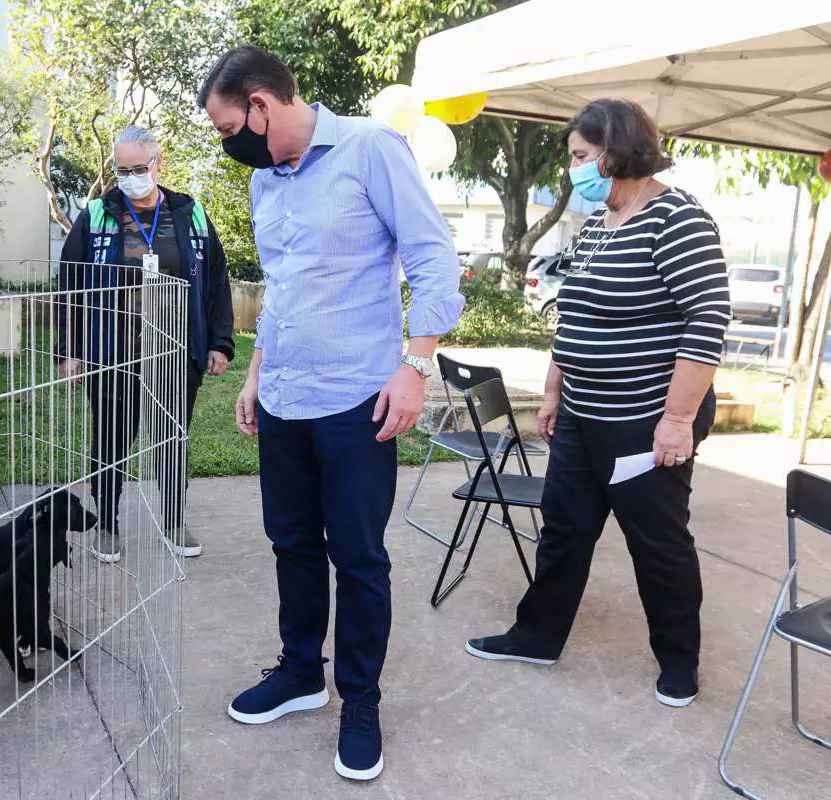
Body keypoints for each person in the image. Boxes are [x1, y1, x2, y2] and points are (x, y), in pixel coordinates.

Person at [198, 46, 463, 781]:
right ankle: (298, 671)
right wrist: (255, 374)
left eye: (228, 127)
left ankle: (361, 700)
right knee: (290, 541)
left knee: (359, 555)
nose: (229, 143)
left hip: (357, 398)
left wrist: (415, 367)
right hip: (285, 396)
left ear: (261, 105)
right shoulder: (264, 182)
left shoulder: (371, 150)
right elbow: (283, 288)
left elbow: (433, 260)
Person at [466, 98, 730, 709]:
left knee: (657, 543)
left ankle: (679, 661)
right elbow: (574, 316)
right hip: (584, 415)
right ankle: (536, 635)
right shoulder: (593, 228)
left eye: (582, 157)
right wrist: (555, 392)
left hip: (646, 420)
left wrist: (678, 419)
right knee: (564, 531)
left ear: (615, 151)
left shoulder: (677, 218)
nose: (574, 171)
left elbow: (707, 321)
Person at [57, 126, 235, 563]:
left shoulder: (189, 214)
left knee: (172, 437)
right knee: (112, 440)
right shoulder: (97, 214)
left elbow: (217, 280)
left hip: (176, 350)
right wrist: (69, 350)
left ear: (158, 163)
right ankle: (109, 524)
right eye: (123, 170)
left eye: (139, 168)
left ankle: (173, 519)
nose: (132, 177)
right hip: (113, 349)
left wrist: (220, 342)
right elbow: (69, 285)